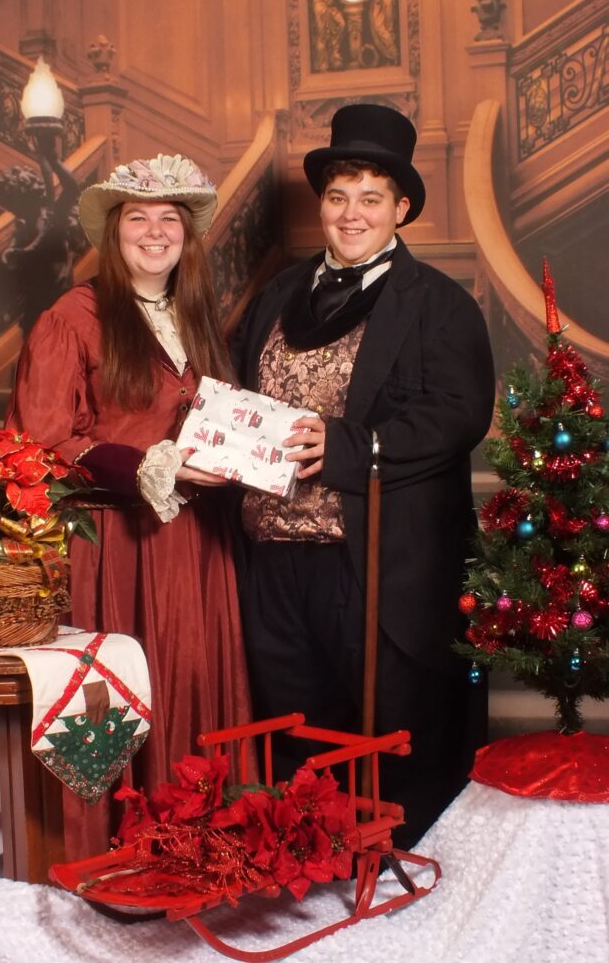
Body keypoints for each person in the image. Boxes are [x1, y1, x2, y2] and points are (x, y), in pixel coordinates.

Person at [232, 104, 495, 850]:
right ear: (321, 203)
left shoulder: (440, 305)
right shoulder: (278, 294)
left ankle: (391, 870)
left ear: (401, 208)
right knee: (292, 719)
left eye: (370, 198)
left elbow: (456, 415)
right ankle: (305, 868)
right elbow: (241, 394)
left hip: (376, 559)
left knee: (381, 728)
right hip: (273, 555)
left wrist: (350, 446)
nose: (351, 214)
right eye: (338, 195)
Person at [5, 153, 254, 859]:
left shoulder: (197, 317)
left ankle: (200, 839)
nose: (154, 233)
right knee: (134, 691)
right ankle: (127, 850)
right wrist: (146, 467)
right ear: (113, 235)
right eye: (137, 219)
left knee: (197, 681)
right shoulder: (72, 316)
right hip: (121, 546)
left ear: (186, 235)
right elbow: (43, 441)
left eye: (168, 220)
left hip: (200, 546)